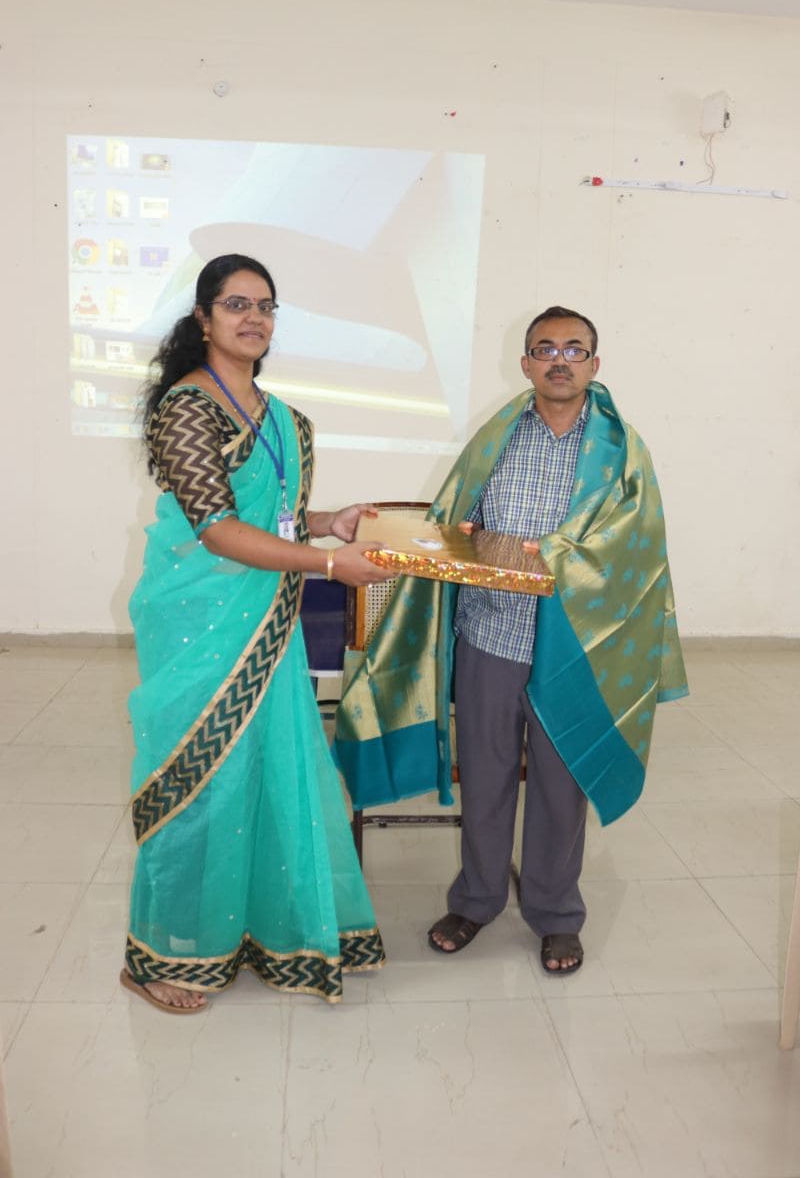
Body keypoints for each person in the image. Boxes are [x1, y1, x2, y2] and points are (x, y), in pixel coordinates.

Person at [334, 306, 687, 976]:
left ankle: (556, 914)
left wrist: (553, 556)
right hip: (490, 635)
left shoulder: (622, 453)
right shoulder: (495, 438)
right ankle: (476, 900)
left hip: (574, 649)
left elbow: (637, 547)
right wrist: (450, 540)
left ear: (594, 364)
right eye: (545, 349)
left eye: (574, 349)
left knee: (561, 785)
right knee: (486, 775)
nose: (560, 360)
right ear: (525, 363)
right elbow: (454, 521)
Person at [120, 253, 391, 1013]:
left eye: (265, 306)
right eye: (236, 304)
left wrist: (327, 523)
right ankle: (159, 955)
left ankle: (251, 931)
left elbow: (272, 520)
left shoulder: (283, 420)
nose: (254, 318)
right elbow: (216, 529)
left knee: (262, 772)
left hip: (265, 623)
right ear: (203, 317)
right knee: (198, 781)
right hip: (198, 622)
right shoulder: (188, 407)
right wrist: (330, 564)